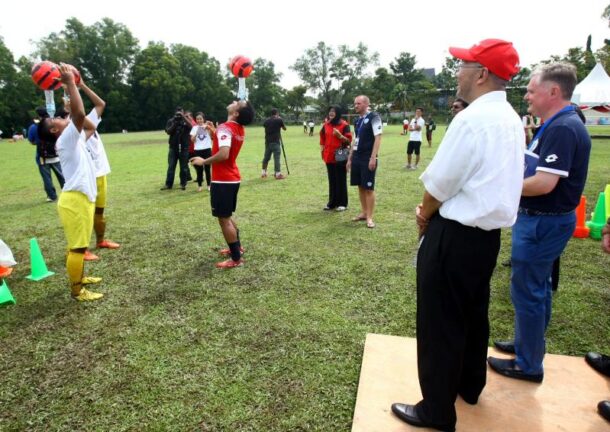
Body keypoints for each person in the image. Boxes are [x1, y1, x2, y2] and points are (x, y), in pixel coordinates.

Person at [391, 39, 524, 432]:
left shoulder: (471, 120)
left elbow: (440, 183)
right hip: (486, 238)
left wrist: (423, 214)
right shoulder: (511, 118)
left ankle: (436, 409)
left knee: (439, 320)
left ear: (481, 74)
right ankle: (470, 384)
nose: (457, 73)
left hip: (455, 232)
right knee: (472, 312)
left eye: (462, 66)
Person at [489, 63, 592, 384]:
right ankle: (526, 346)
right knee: (539, 288)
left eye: (532, 90)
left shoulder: (563, 128)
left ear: (553, 92)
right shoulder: (559, 123)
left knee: (528, 292)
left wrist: (501, 184)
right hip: (545, 221)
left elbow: (544, 184)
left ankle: (528, 364)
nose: (527, 96)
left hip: (542, 222)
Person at [37, 63, 103, 302]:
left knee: (80, 245)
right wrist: (71, 86)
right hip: (75, 201)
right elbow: (77, 116)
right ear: (55, 129)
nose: (60, 117)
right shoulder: (65, 140)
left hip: (79, 198)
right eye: (56, 118)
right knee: (77, 248)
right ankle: (77, 291)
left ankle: (81, 278)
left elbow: (89, 125)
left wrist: (72, 96)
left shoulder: (71, 140)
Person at [189, 100, 255, 269]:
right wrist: (214, 132)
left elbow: (224, 153)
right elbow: (226, 145)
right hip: (232, 177)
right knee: (227, 215)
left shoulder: (226, 128)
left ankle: (236, 258)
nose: (233, 101)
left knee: (223, 218)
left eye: (237, 103)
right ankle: (237, 247)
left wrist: (204, 161)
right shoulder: (237, 128)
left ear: (236, 113)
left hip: (223, 179)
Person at [78, 79, 121, 258]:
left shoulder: (88, 121)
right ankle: (82, 248)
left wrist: (80, 85)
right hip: (86, 177)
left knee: (99, 211)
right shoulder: (72, 130)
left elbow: (100, 103)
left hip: (101, 173)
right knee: (85, 213)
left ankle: (101, 240)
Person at [347, 95, 381, 229]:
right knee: (360, 186)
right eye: (355, 104)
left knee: (368, 188)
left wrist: (373, 158)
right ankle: (364, 212)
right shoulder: (357, 121)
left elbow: (378, 138)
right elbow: (355, 139)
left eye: (358, 103)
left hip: (368, 157)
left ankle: (370, 217)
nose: (356, 106)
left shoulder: (374, 117)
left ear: (366, 104)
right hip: (357, 157)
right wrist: (350, 158)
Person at [27, 107, 65, 202]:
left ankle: (52, 196)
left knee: (47, 178)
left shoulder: (34, 127)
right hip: (56, 154)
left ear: (38, 115)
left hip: (42, 157)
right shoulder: (54, 124)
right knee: (61, 176)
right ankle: (67, 192)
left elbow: (31, 141)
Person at [319, 105, 352, 211]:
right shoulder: (326, 125)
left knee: (340, 179)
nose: (331, 113)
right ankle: (332, 203)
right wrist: (322, 150)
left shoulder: (344, 125)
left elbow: (348, 141)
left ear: (338, 113)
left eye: (333, 111)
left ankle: (342, 203)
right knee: (332, 180)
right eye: (330, 111)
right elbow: (322, 138)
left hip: (340, 155)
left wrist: (340, 136)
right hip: (328, 155)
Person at [161, 107, 191, 191]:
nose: (179, 115)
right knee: (171, 166)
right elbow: (168, 131)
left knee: (183, 167)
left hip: (184, 147)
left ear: (183, 113)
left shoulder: (186, 120)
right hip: (173, 147)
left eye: (180, 113)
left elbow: (191, 127)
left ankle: (183, 183)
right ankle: (168, 184)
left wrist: (184, 117)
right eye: (178, 113)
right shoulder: (171, 120)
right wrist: (175, 122)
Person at [190, 112, 213, 192]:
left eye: (200, 118)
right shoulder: (194, 128)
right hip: (198, 150)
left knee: (207, 168)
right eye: (197, 119)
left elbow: (212, 137)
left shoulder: (207, 127)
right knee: (199, 169)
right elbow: (192, 140)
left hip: (207, 149)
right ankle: (199, 186)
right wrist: (197, 132)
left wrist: (208, 128)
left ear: (203, 119)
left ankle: (209, 185)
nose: (199, 120)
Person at [261, 108, 287, 180]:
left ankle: (263, 173)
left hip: (268, 142)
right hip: (275, 142)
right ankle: (278, 174)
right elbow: (285, 128)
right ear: (277, 113)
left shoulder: (266, 121)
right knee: (277, 158)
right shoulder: (279, 120)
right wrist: (280, 122)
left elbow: (265, 126)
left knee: (266, 158)